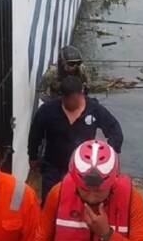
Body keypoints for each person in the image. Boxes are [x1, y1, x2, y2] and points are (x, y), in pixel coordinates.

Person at [28, 76, 124, 204]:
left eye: (74, 98)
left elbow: (115, 130)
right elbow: (35, 134)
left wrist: (109, 154)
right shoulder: (47, 111)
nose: (71, 102)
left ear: (81, 93)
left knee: (79, 204)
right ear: (63, 96)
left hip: (82, 169)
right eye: (68, 99)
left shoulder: (94, 109)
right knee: (50, 202)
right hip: (53, 167)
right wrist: (33, 156)